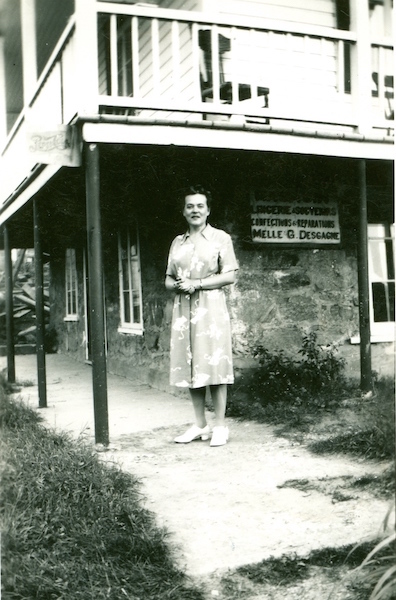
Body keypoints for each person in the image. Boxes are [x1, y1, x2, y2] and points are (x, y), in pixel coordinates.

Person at [165, 185, 238, 446]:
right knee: (191, 366)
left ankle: (220, 426)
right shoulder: (177, 242)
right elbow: (168, 279)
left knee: (214, 365)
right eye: (189, 206)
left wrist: (198, 284)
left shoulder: (220, 238)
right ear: (183, 212)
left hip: (211, 308)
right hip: (184, 310)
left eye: (200, 206)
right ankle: (200, 425)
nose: (195, 210)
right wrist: (180, 285)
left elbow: (229, 275)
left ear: (208, 210)